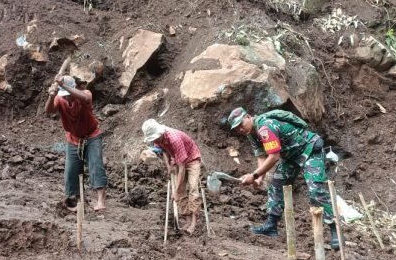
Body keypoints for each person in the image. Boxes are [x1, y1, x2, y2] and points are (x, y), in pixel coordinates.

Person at [227, 107, 340, 250]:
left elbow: (274, 157)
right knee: (276, 186)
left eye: (241, 124)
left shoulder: (265, 127)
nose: (240, 129)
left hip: (309, 148)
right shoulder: (251, 133)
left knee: (316, 190)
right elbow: (261, 156)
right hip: (290, 156)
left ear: (248, 117)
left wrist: (254, 175)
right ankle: (271, 225)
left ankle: (335, 229)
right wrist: (259, 178)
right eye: (237, 128)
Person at [45, 75, 107, 211]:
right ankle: (76, 200)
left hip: (92, 136)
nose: (67, 98)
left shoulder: (84, 94)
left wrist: (64, 86)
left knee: (96, 165)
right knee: (71, 171)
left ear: (73, 88)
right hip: (73, 138)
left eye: (68, 94)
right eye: (64, 95)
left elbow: (86, 98)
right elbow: (49, 111)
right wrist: (51, 96)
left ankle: (101, 201)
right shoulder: (60, 98)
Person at [142, 119, 202, 235]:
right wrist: (168, 165)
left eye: (155, 138)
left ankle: (194, 223)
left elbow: (182, 168)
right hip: (178, 159)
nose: (154, 141)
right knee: (181, 192)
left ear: (160, 133)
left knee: (193, 189)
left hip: (192, 159)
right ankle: (188, 220)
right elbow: (164, 150)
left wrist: (176, 192)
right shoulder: (157, 138)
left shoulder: (174, 139)